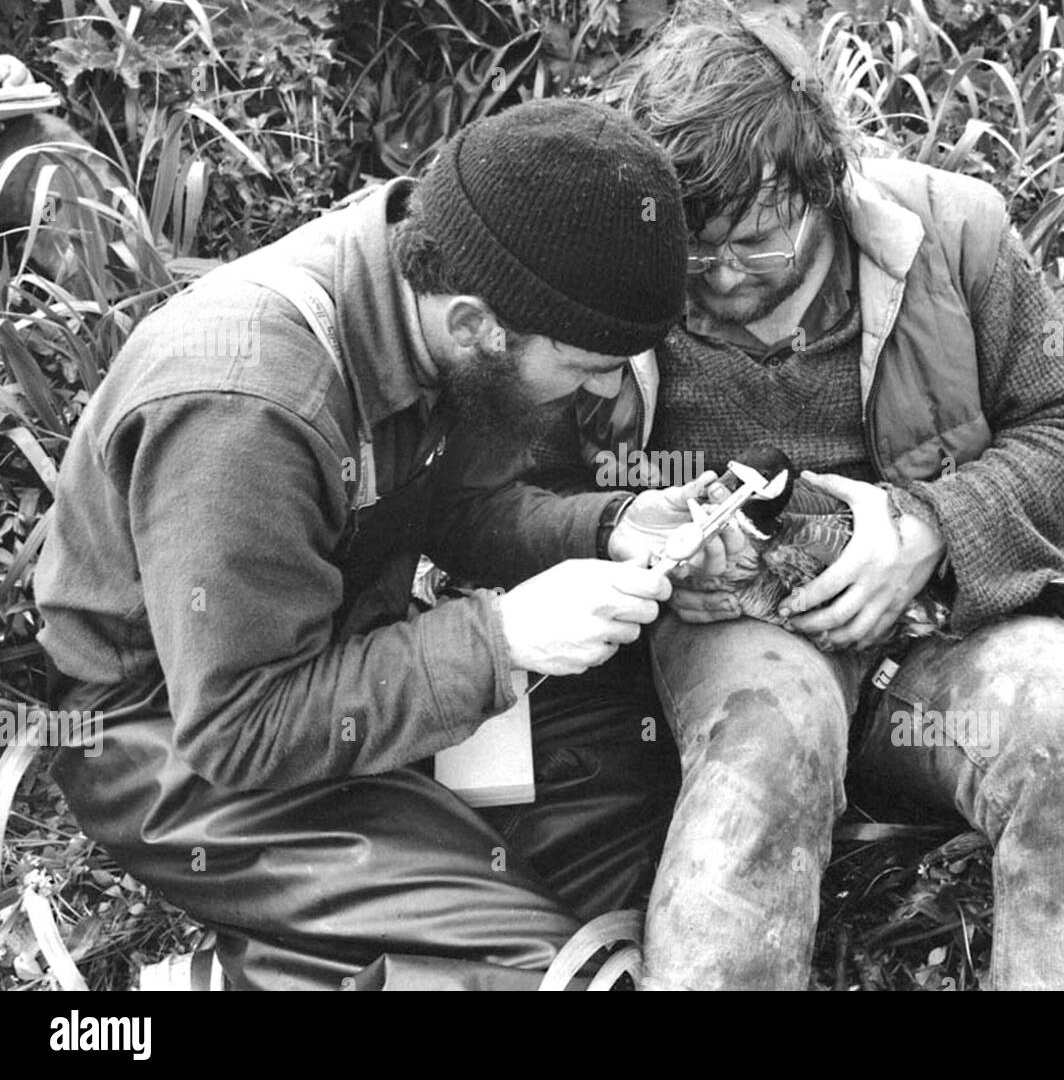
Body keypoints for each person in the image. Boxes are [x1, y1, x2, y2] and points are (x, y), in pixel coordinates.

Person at [432, 0, 1064, 990]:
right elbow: (488, 500)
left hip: (946, 626)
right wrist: (625, 528)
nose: (721, 279)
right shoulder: (604, 279)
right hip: (737, 628)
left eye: (758, 245)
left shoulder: (954, 238)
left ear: (823, 184)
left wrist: (930, 527)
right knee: (765, 754)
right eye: (691, 253)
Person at [34, 98, 725, 989]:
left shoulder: (430, 275)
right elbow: (240, 727)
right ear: (478, 324)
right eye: (585, 368)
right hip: (166, 734)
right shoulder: (247, 413)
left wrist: (610, 526)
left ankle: (320, 946)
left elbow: (456, 510)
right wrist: (500, 638)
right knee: (557, 973)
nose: (587, 395)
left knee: (623, 776)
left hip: (333, 653)